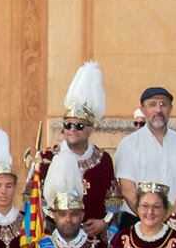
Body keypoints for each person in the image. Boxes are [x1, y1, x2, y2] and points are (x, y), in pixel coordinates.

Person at [31, 63, 115, 238]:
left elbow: (113, 199)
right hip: (54, 238)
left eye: (79, 125)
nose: (72, 129)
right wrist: (58, 223)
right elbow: (33, 198)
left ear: (91, 129)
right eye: (68, 124)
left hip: (93, 240)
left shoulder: (103, 159)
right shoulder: (47, 157)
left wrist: (104, 222)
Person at [113, 87, 176, 219]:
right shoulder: (129, 144)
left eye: (163, 104)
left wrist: (171, 218)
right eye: (152, 104)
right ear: (143, 110)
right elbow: (127, 189)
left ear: (170, 109)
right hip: (137, 221)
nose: (158, 110)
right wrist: (150, 218)